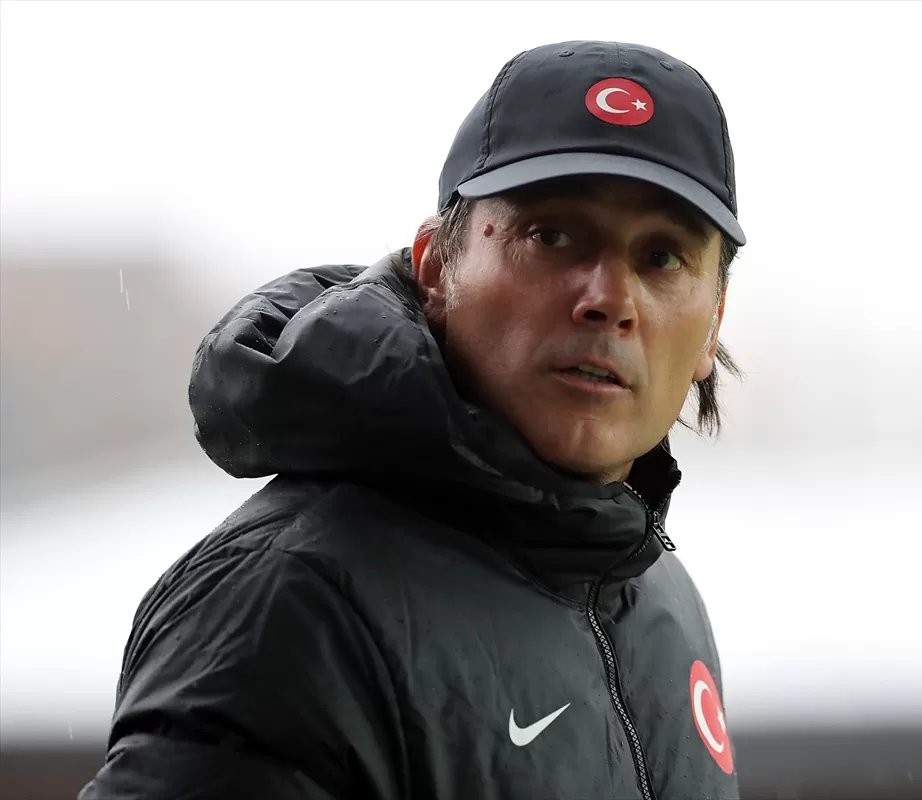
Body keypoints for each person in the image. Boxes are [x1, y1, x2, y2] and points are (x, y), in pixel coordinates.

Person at [80, 39, 748, 800]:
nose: (609, 299)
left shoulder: (659, 598)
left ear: (714, 323)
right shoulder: (287, 607)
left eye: (663, 258)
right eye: (552, 235)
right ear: (435, 265)